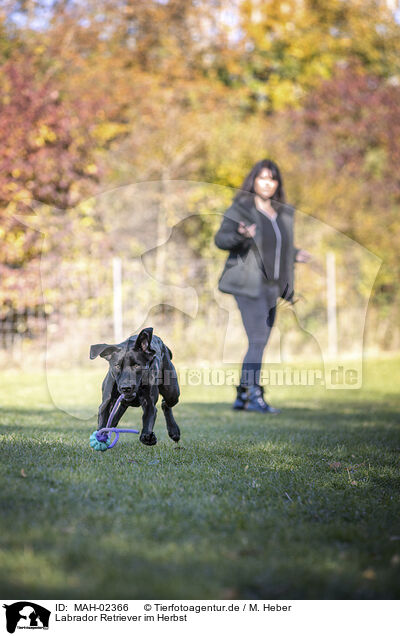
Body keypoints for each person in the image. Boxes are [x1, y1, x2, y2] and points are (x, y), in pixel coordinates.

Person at [214, 159, 311, 413]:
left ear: (277, 183)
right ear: (254, 180)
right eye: (262, 177)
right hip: (247, 285)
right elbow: (221, 240)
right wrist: (241, 235)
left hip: (272, 286)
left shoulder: (283, 213)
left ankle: (243, 395)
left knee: (260, 341)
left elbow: (277, 248)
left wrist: (295, 254)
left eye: (272, 178)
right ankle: (253, 395)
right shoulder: (241, 208)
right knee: (258, 339)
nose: (267, 182)